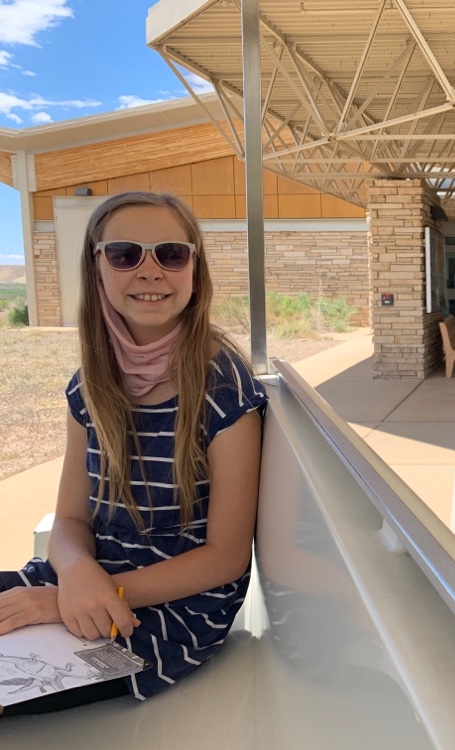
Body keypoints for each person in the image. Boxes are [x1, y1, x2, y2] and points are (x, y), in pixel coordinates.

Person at [0, 192, 267, 716]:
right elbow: (71, 519)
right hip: (86, 579)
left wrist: (77, 599)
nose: (150, 271)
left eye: (171, 253)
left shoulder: (224, 388)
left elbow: (226, 557)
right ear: (96, 266)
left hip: (168, 613)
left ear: (195, 270)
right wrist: (75, 575)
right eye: (125, 254)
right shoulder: (90, 385)